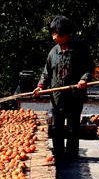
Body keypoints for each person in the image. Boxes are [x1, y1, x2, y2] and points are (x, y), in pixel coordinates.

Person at [34, 15, 95, 161]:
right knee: (57, 128)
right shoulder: (53, 52)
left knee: (73, 128)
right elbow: (46, 72)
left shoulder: (80, 49)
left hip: (74, 96)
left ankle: (72, 156)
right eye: (53, 33)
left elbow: (90, 68)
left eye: (56, 34)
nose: (54, 37)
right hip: (57, 97)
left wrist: (84, 79)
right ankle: (59, 155)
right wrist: (40, 86)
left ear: (65, 34)